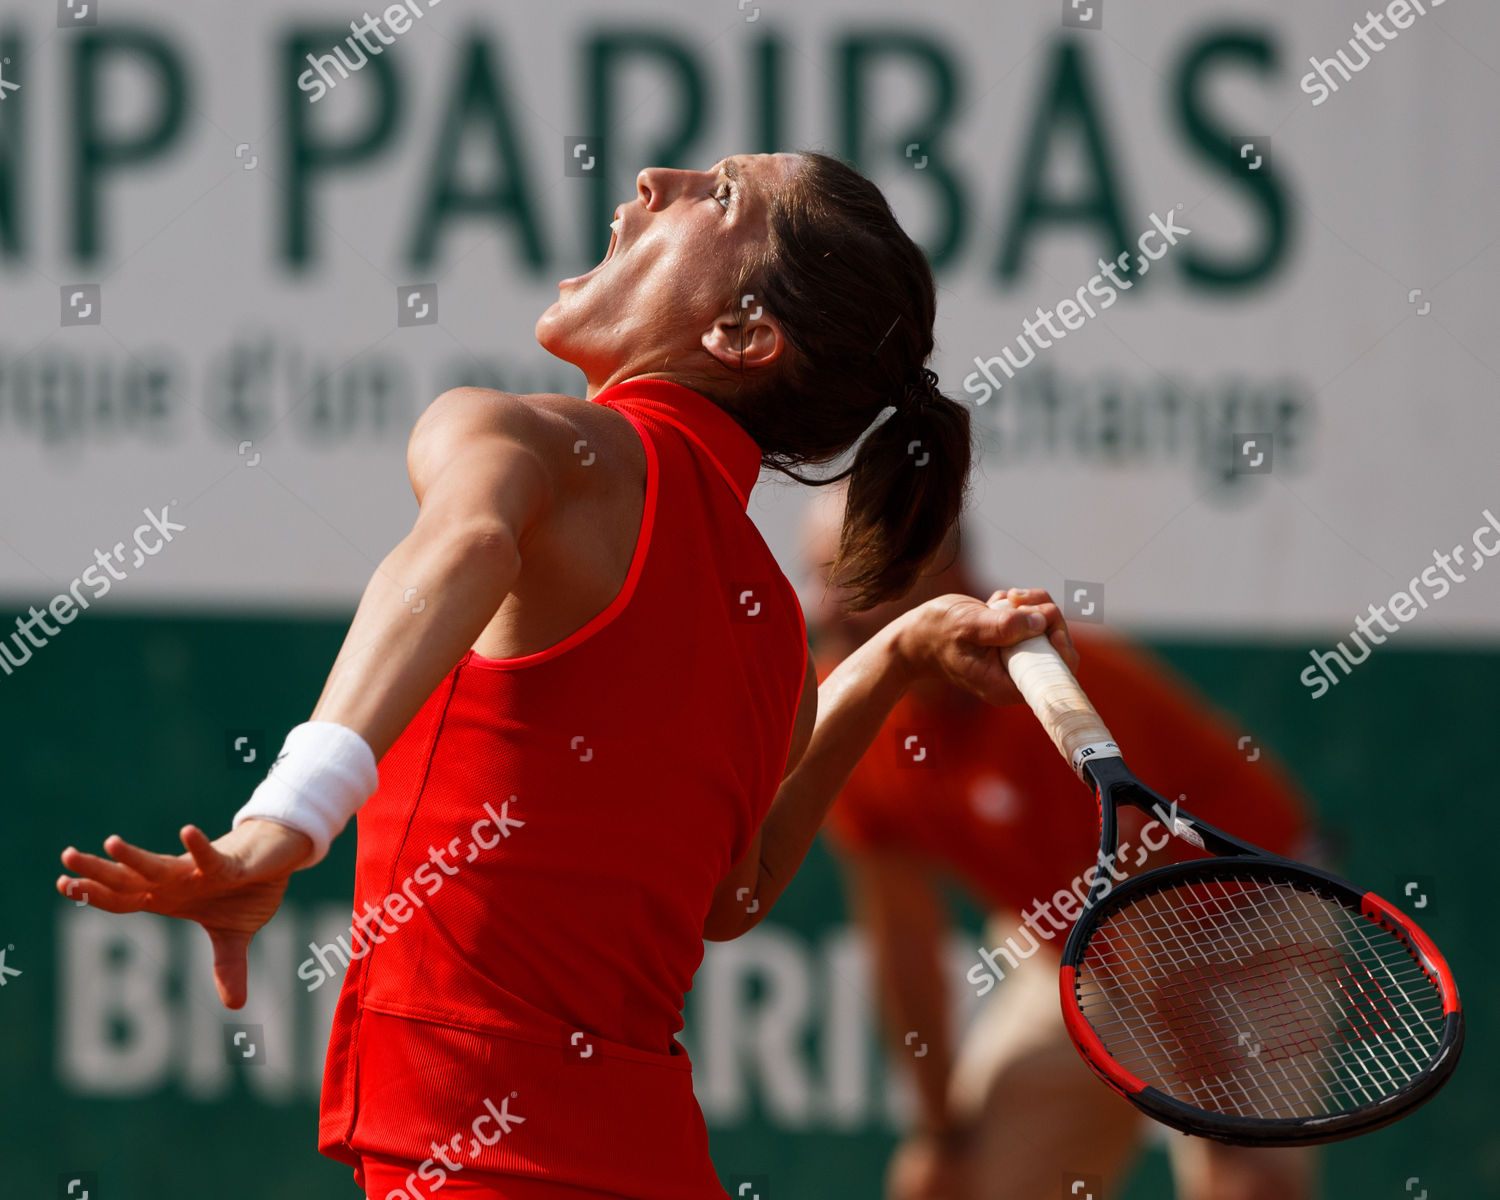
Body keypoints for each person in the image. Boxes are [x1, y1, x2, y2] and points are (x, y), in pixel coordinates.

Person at [55, 151, 1079, 1200]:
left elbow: (462, 549)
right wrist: (899, 656)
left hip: (474, 1159)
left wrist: (287, 819)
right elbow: (733, 894)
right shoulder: (771, 626)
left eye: (719, 195)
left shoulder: (519, 434)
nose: (653, 177)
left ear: (738, 334)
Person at [802, 491, 1320, 1200]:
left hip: (1248, 922)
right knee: (950, 1188)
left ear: (940, 572)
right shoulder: (849, 710)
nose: (825, 611)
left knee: (1247, 1189)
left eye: (851, 580)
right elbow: (902, 937)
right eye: (817, 578)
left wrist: (1221, 1128)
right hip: (1087, 947)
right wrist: (940, 1133)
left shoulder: (1057, 692)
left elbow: (1147, 918)